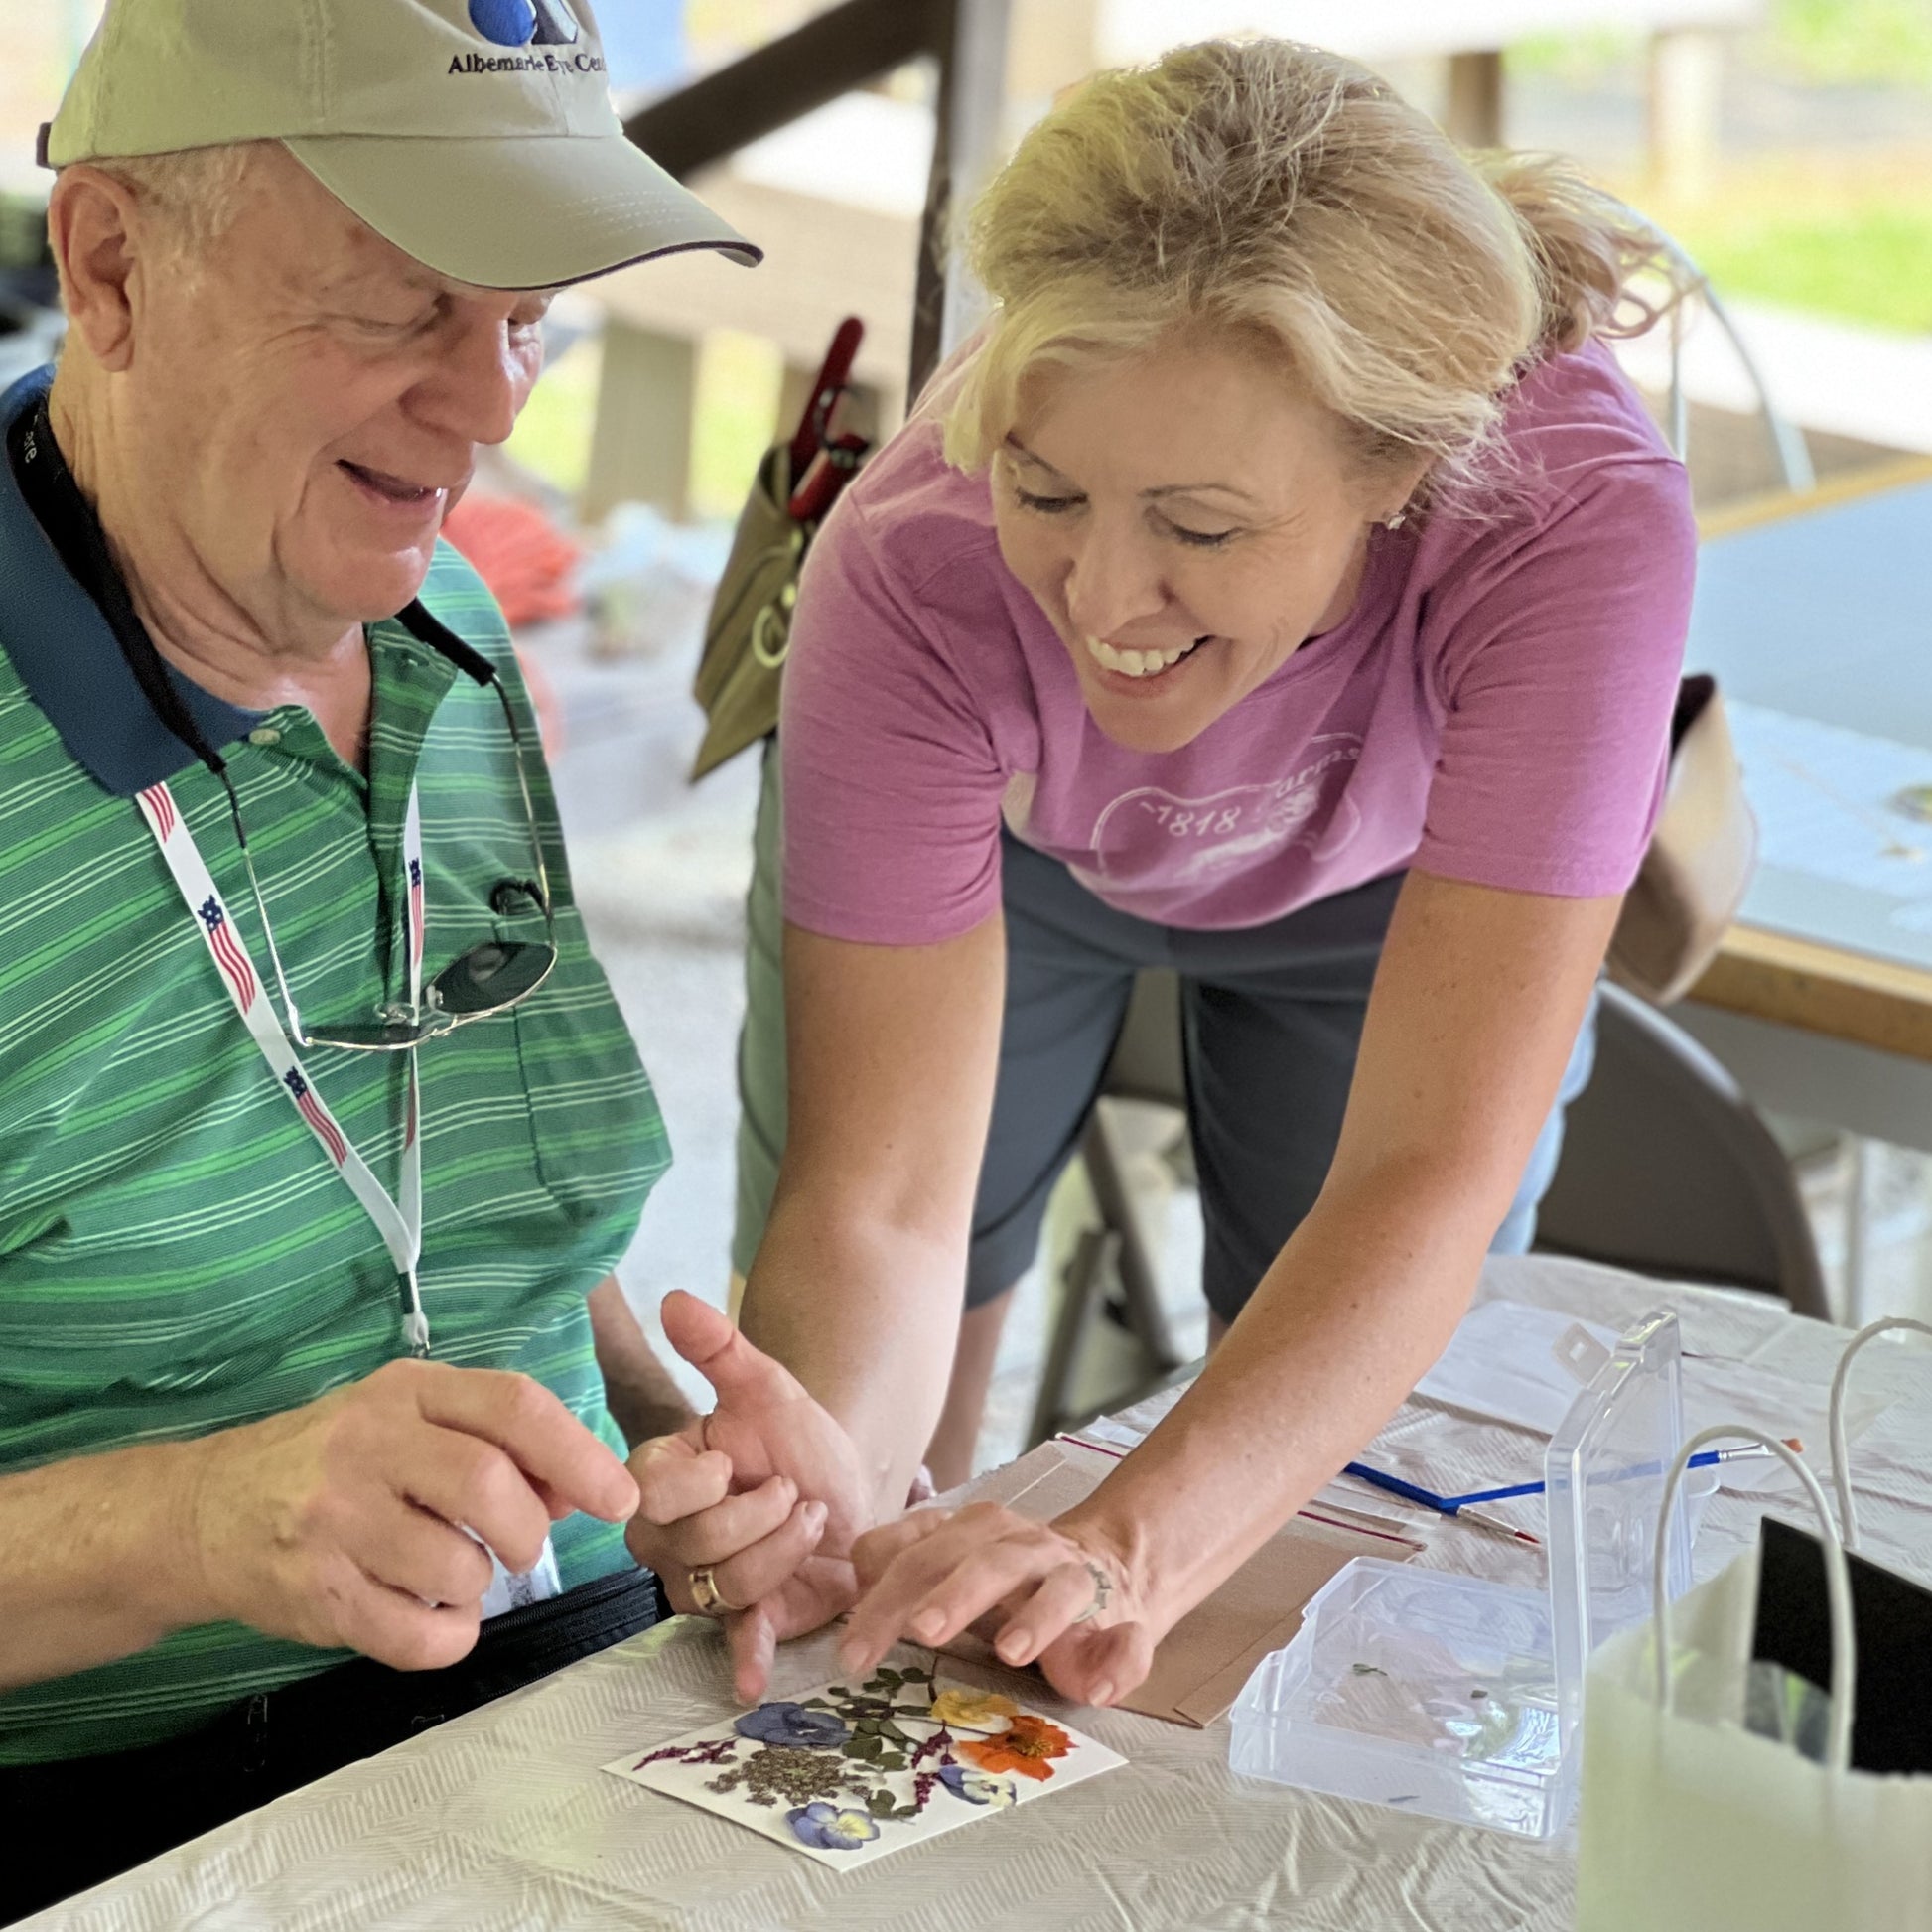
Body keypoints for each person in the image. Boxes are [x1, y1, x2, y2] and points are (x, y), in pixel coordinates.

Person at [628, 39, 1698, 1706]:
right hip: (1011, 842)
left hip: (1396, 874)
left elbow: (1429, 1167)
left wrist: (1125, 1546)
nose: (1106, 598)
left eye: (1199, 525)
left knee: (1322, 1493)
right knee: (892, 1454)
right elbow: (883, 1196)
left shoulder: (1573, 517)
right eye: (1046, 489)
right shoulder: (918, 555)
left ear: (1400, 472)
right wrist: (813, 1489)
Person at [0, 0, 765, 1915]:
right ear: (110, 263)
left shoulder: (432, 612)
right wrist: (199, 1518)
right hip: (129, 1814)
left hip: (559, 1705)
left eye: (532, 312)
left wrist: (671, 1453)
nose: (499, 404)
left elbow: (433, 1186)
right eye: (403, 299)